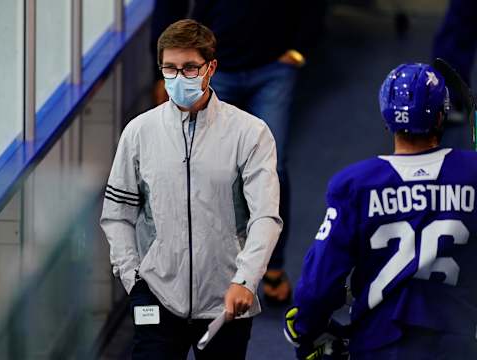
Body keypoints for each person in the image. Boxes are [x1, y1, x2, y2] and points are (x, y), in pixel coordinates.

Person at [101, 19, 282, 359]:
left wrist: (246, 279)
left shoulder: (250, 133)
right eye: (169, 68)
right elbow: (117, 215)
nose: (178, 77)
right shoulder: (139, 133)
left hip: (225, 299)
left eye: (189, 68)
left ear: (210, 67)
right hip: (156, 295)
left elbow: (265, 217)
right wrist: (133, 280)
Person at [284, 63, 477, 359]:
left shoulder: (355, 184)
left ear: (386, 116)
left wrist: (307, 327)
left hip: (380, 342)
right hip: (459, 342)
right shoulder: (472, 173)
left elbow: (318, 286)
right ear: (441, 115)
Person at [150, 0, 327, 304]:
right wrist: (163, 74)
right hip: (208, 72)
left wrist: (300, 49)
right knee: (200, 169)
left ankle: (272, 265)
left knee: (272, 169)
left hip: (273, 68)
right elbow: (169, 6)